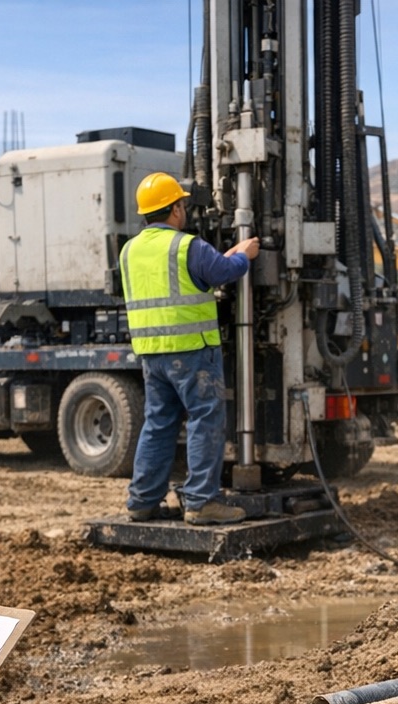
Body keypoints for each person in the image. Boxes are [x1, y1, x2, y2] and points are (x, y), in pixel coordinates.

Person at [121, 171, 260, 526]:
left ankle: (142, 501)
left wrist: (224, 259)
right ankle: (201, 501)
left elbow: (201, 271)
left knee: (158, 423)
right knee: (204, 418)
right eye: (182, 204)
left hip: (151, 353)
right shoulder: (187, 246)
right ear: (176, 210)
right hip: (192, 351)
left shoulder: (129, 251)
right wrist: (244, 255)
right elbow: (222, 271)